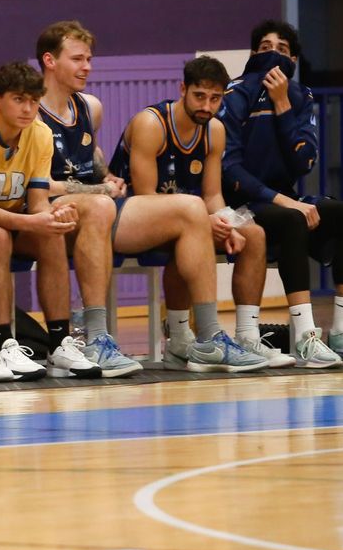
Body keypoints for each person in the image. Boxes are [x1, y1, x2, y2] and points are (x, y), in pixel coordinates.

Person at [217, 20, 343, 365]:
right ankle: (306, 336)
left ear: (293, 58)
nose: (273, 56)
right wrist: (282, 200)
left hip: (283, 197)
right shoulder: (235, 95)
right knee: (293, 217)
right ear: (252, 55)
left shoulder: (299, 96)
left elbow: (303, 161)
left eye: (281, 50)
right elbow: (229, 169)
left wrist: (282, 107)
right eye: (265, 48)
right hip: (240, 205)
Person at [109, 57, 272, 373]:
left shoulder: (215, 131)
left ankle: (247, 336)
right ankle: (197, 337)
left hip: (185, 218)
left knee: (253, 233)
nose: (207, 106)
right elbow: (146, 197)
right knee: (191, 217)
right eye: (200, 96)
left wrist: (227, 221)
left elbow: (211, 194)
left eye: (215, 99)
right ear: (182, 89)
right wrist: (201, 219)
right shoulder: (151, 124)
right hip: (130, 218)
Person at [0, 61, 89, 381]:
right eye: (19, 99)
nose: (28, 109)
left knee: (53, 233)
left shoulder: (39, 134)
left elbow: (38, 201)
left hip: (11, 221)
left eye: (33, 100)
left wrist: (53, 216)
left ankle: (60, 344)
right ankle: (0, 341)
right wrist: (29, 222)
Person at [34, 20, 147, 378]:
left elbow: (91, 155)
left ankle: (199, 337)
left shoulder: (89, 107)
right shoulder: (29, 110)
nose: (87, 67)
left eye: (89, 59)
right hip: (43, 212)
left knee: (189, 210)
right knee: (100, 207)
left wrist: (106, 177)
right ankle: (97, 337)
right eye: (78, 59)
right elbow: (41, 187)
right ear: (50, 61)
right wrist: (100, 191)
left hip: (94, 209)